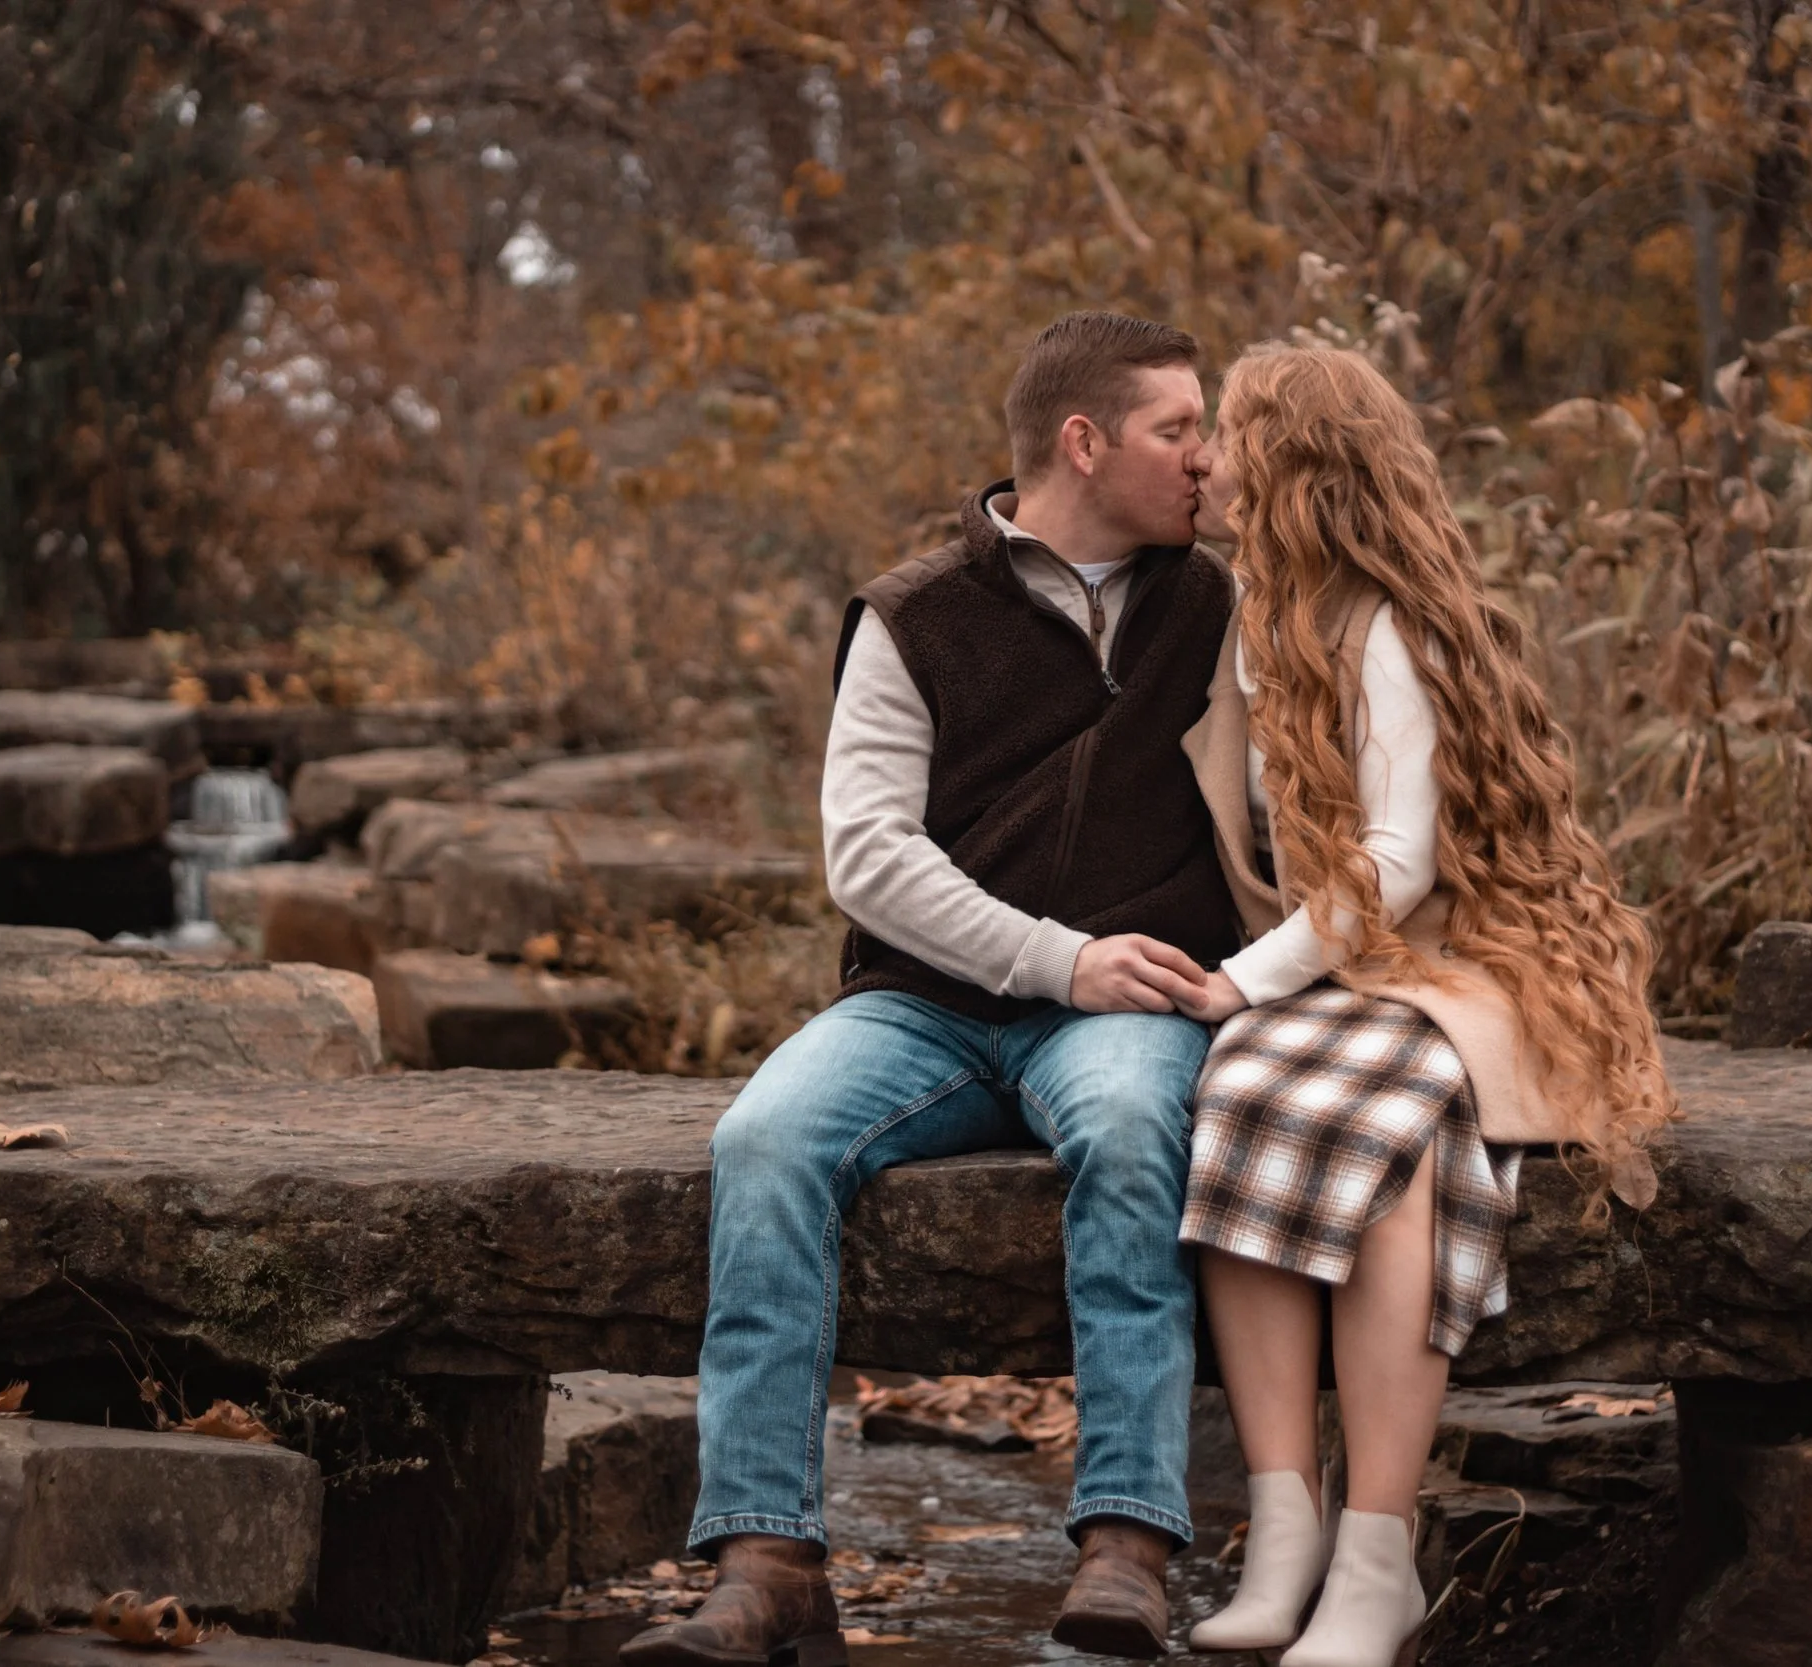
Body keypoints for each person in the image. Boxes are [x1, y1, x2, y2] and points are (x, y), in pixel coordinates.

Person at [619, 311, 1237, 1667]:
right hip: (929, 1005)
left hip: (1126, 1012)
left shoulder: (1221, 603)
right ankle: (766, 1559)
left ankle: (1128, 1543)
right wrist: (1052, 956)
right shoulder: (916, 614)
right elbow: (867, 855)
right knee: (764, 1137)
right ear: (1085, 441)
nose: (1210, 457)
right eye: (1179, 429)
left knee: (1136, 1133)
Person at [1167, 344, 1676, 1667]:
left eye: (1229, 438)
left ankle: (1379, 1549)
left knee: (1390, 1137)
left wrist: (1247, 977)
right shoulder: (1252, 611)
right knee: (1236, 1093)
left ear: (1296, 472)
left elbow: (1402, 858)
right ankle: (1286, 1516)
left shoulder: (1395, 626)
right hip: (1350, 968)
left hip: (1458, 964)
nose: (1210, 462)